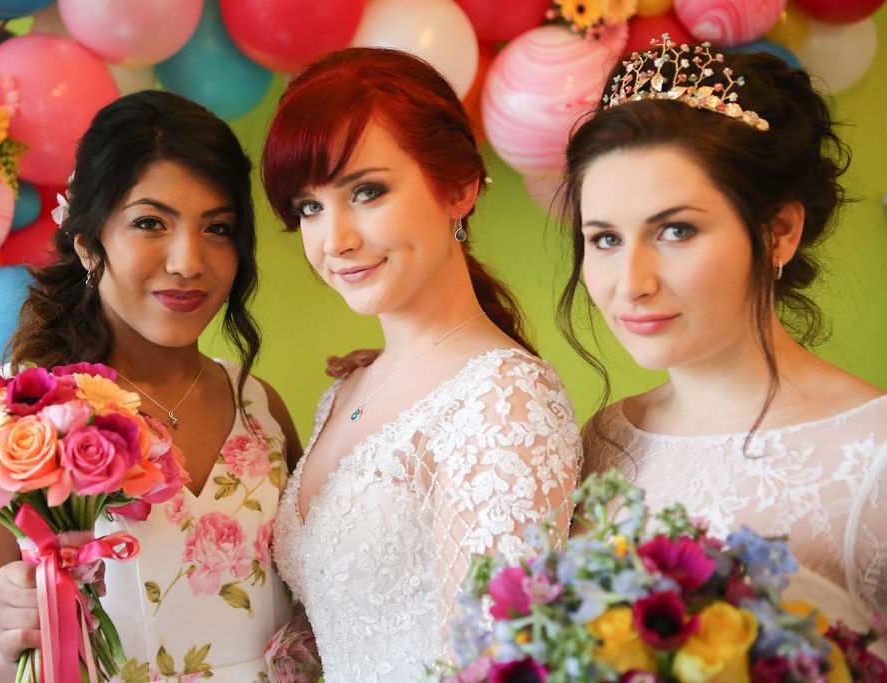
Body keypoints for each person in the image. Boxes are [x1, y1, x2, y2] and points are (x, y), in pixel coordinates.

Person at [0, 90, 304, 682]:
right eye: (149, 223)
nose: (188, 262)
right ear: (87, 242)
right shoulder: (9, 423)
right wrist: (5, 636)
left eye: (218, 228)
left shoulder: (260, 407)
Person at [261, 47, 582, 681]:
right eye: (309, 207)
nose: (335, 240)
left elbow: (493, 665)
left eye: (367, 191)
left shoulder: (504, 401)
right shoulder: (346, 389)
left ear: (459, 186)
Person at [558, 42, 886, 631]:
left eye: (676, 230)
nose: (631, 283)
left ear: (779, 232)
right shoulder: (606, 439)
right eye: (605, 239)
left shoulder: (874, 454)